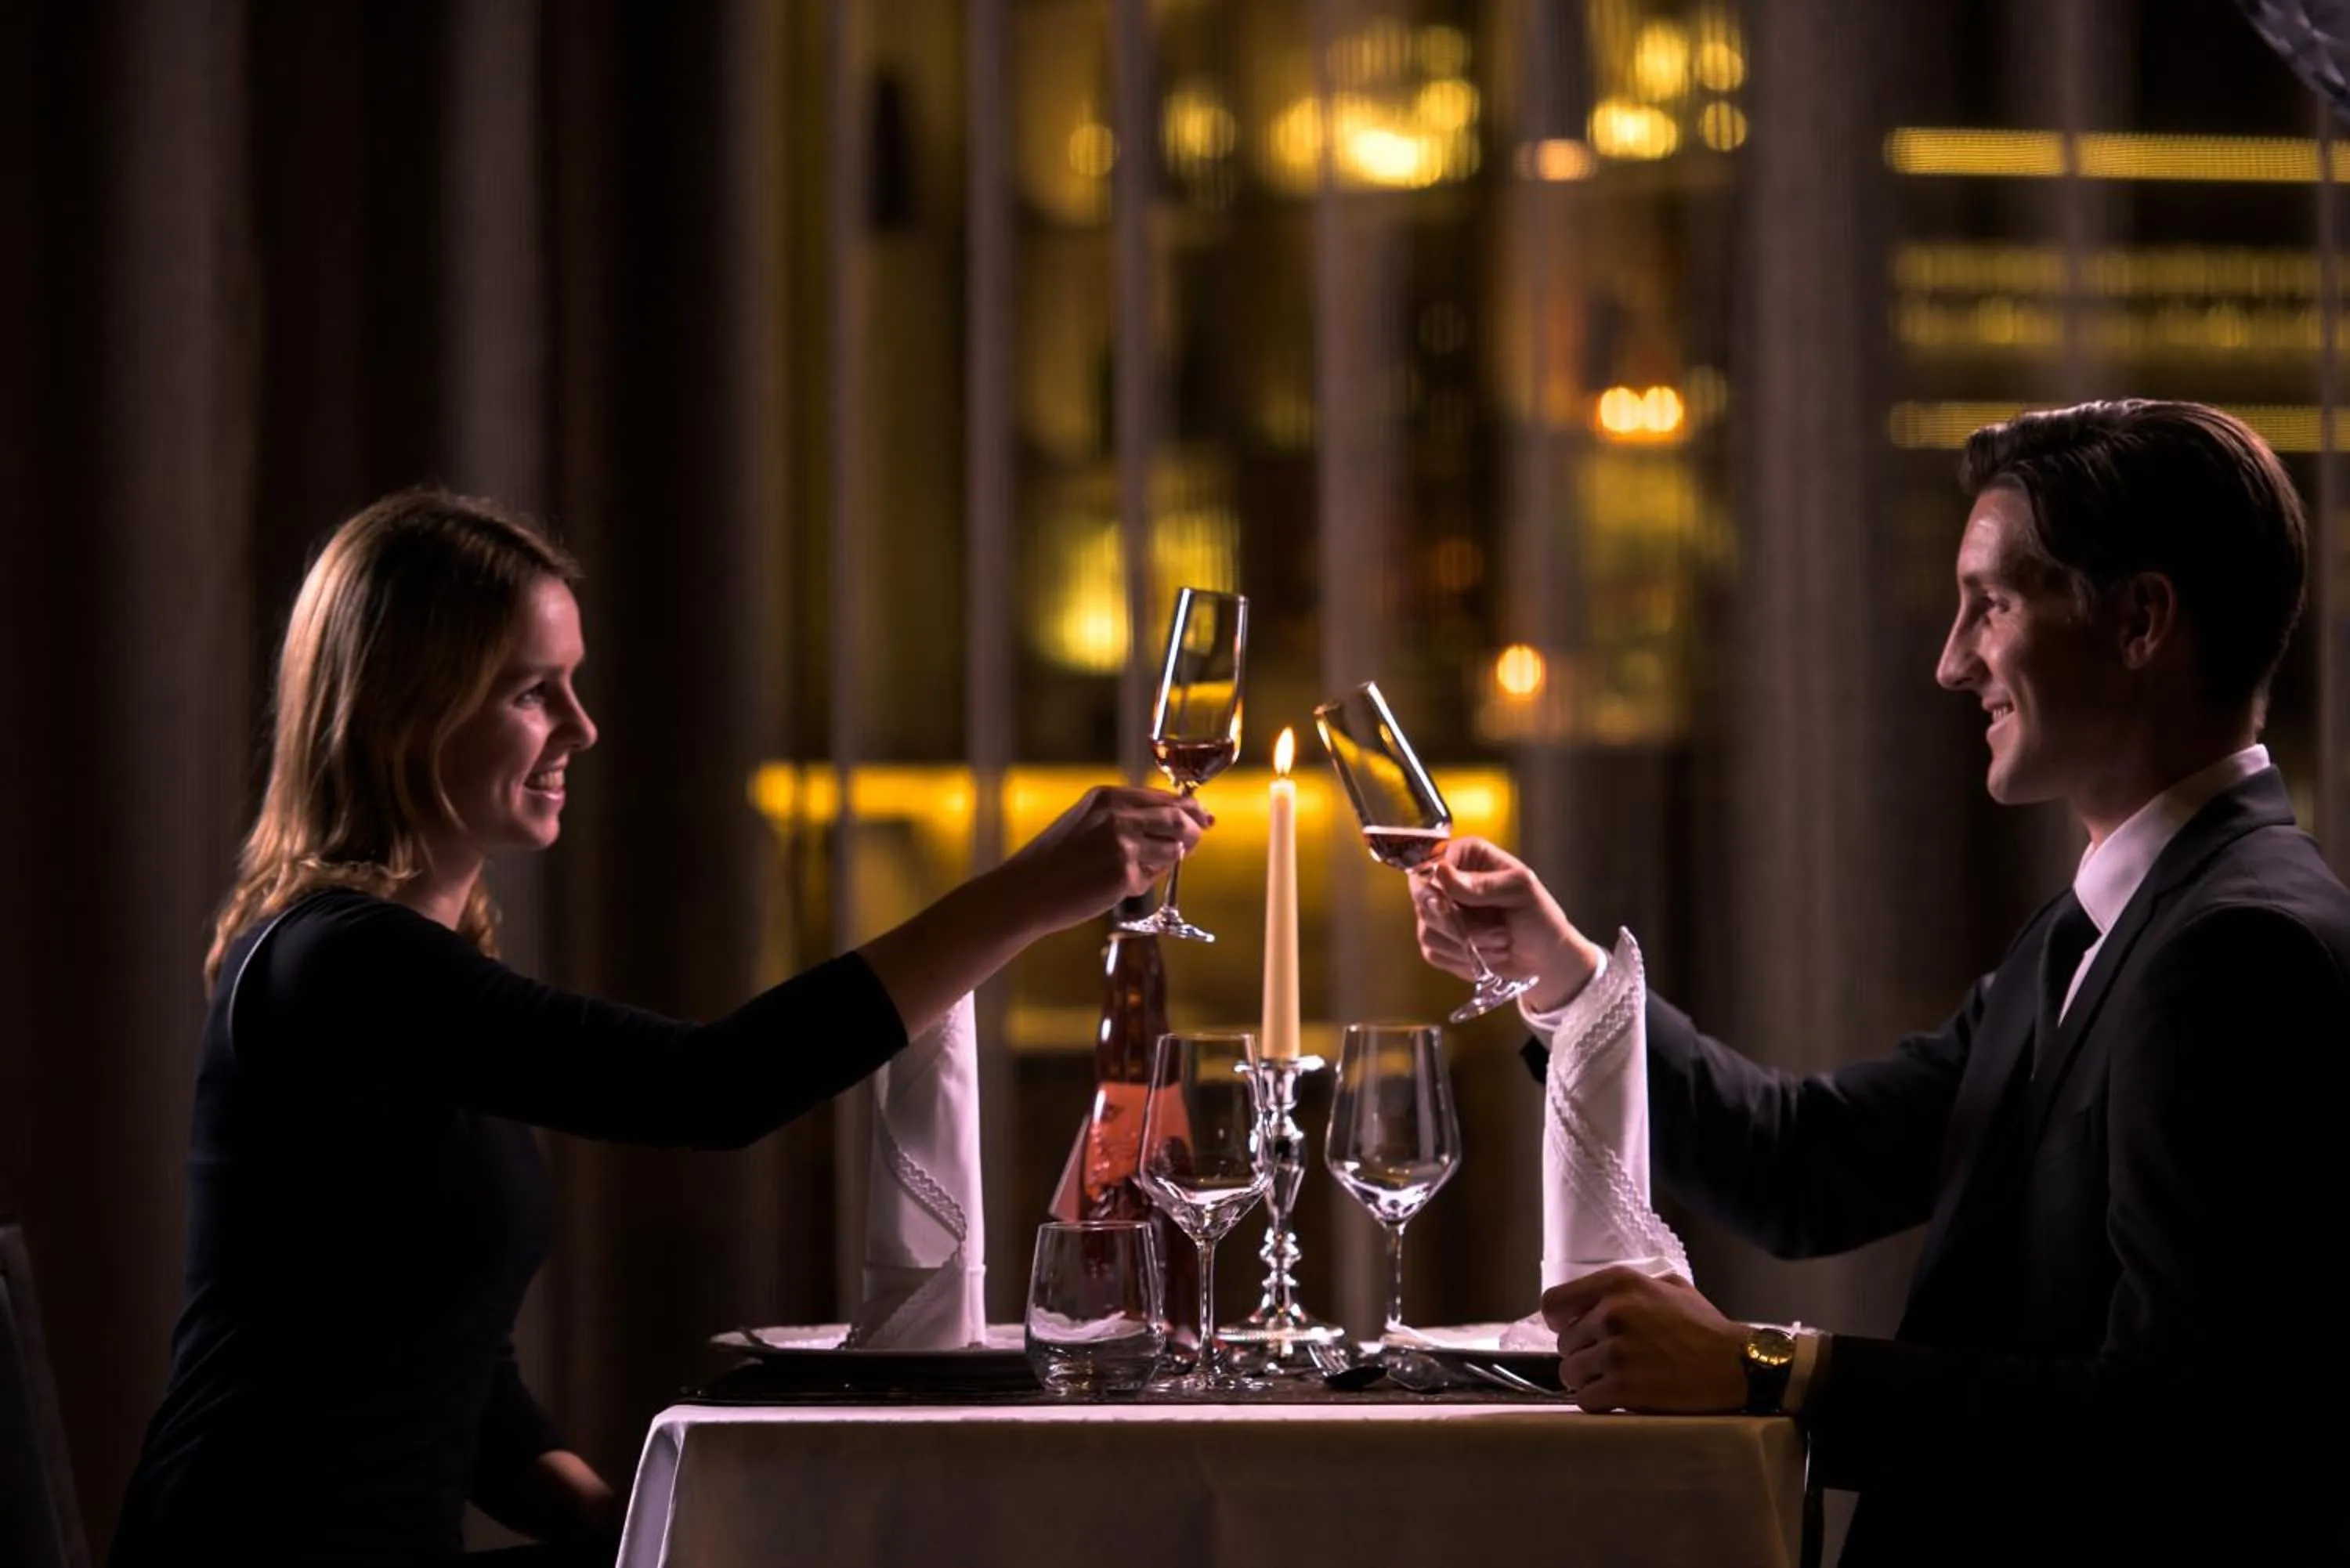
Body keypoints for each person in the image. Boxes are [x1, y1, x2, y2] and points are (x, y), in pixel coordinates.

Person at [110, 489, 1209, 1566]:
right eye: (532, 692)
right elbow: (709, 1088)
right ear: (409, 711)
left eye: (573, 684)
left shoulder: (399, 970)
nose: (581, 728)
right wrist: (1020, 896)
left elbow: (460, 1377)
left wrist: (640, 1524)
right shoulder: (340, 963)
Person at [1413, 400, 2348, 1565]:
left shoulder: (2235, 954)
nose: (1951, 660)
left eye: (1991, 604)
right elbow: (1805, 1163)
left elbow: (2180, 1432)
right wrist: (1557, 970)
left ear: (2141, 621)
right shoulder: (2104, 925)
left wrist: (1766, 1369)